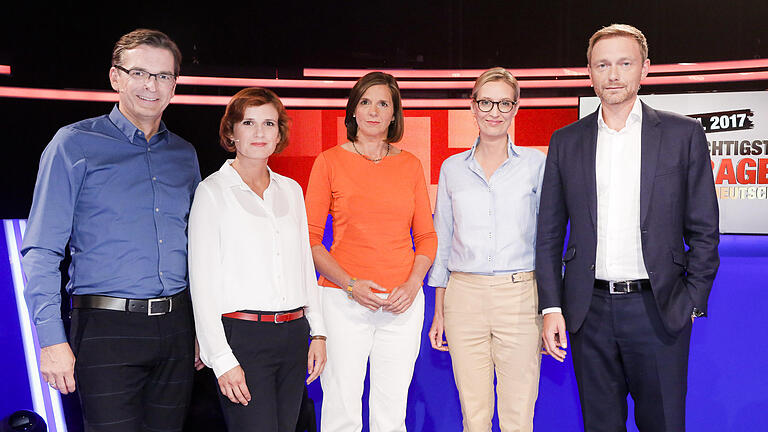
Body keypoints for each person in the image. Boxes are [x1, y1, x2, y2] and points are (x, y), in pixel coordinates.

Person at [536, 24, 720, 431]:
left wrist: (691, 300)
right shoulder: (566, 141)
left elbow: (704, 228)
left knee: (665, 424)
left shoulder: (682, 135)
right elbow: (549, 233)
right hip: (588, 313)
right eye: (603, 64)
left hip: (659, 309)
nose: (613, 74)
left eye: (624, 63)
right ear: (590, 71)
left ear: (645, 69)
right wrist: (552, 307)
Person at [21, 29, 203, 431]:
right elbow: (41, 250)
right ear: (115, 78)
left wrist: (200, 328)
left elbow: (198, 252)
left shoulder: (184, 155)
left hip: (176, 328)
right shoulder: (73, 144)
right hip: (106, 330)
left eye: (163, 76)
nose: (151, 86)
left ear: (175, 84)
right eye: (139, 72)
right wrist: (51, 339)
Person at [304, 71, 437, 432]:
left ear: (394, 114)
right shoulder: (328, 162)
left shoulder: (409, 164)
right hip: (344, 302)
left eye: (383, 103)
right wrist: (350, 285)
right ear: (353, 110)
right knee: (341, 408)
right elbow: (311, 240)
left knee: (391, 413)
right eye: (365, 101)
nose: (374, 111)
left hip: (402, 304)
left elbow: (426, 237)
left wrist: (412, 286)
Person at [188, 87, 327, 431]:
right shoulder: (212, 192)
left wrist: (319, 333)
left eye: (269, 123)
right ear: (231, 132)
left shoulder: (291, 190)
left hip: (293, 336)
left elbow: (304, 269)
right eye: (248, 122)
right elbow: (202, 284)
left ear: (280, 133)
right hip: (244, 338)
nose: (260, 132)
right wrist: (220, 359)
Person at [427, 67, 545, 432]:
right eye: (486, 102)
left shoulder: (537, 165)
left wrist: (550, 305)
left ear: (516, 108)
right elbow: (443, 240)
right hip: (464, 297)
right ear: (473, 106)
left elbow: (549, 239)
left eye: (504, 103)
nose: (495, 111)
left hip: (521, 295)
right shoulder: (451, 168)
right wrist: (439, 310)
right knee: (473, 415)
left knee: (518, 414)